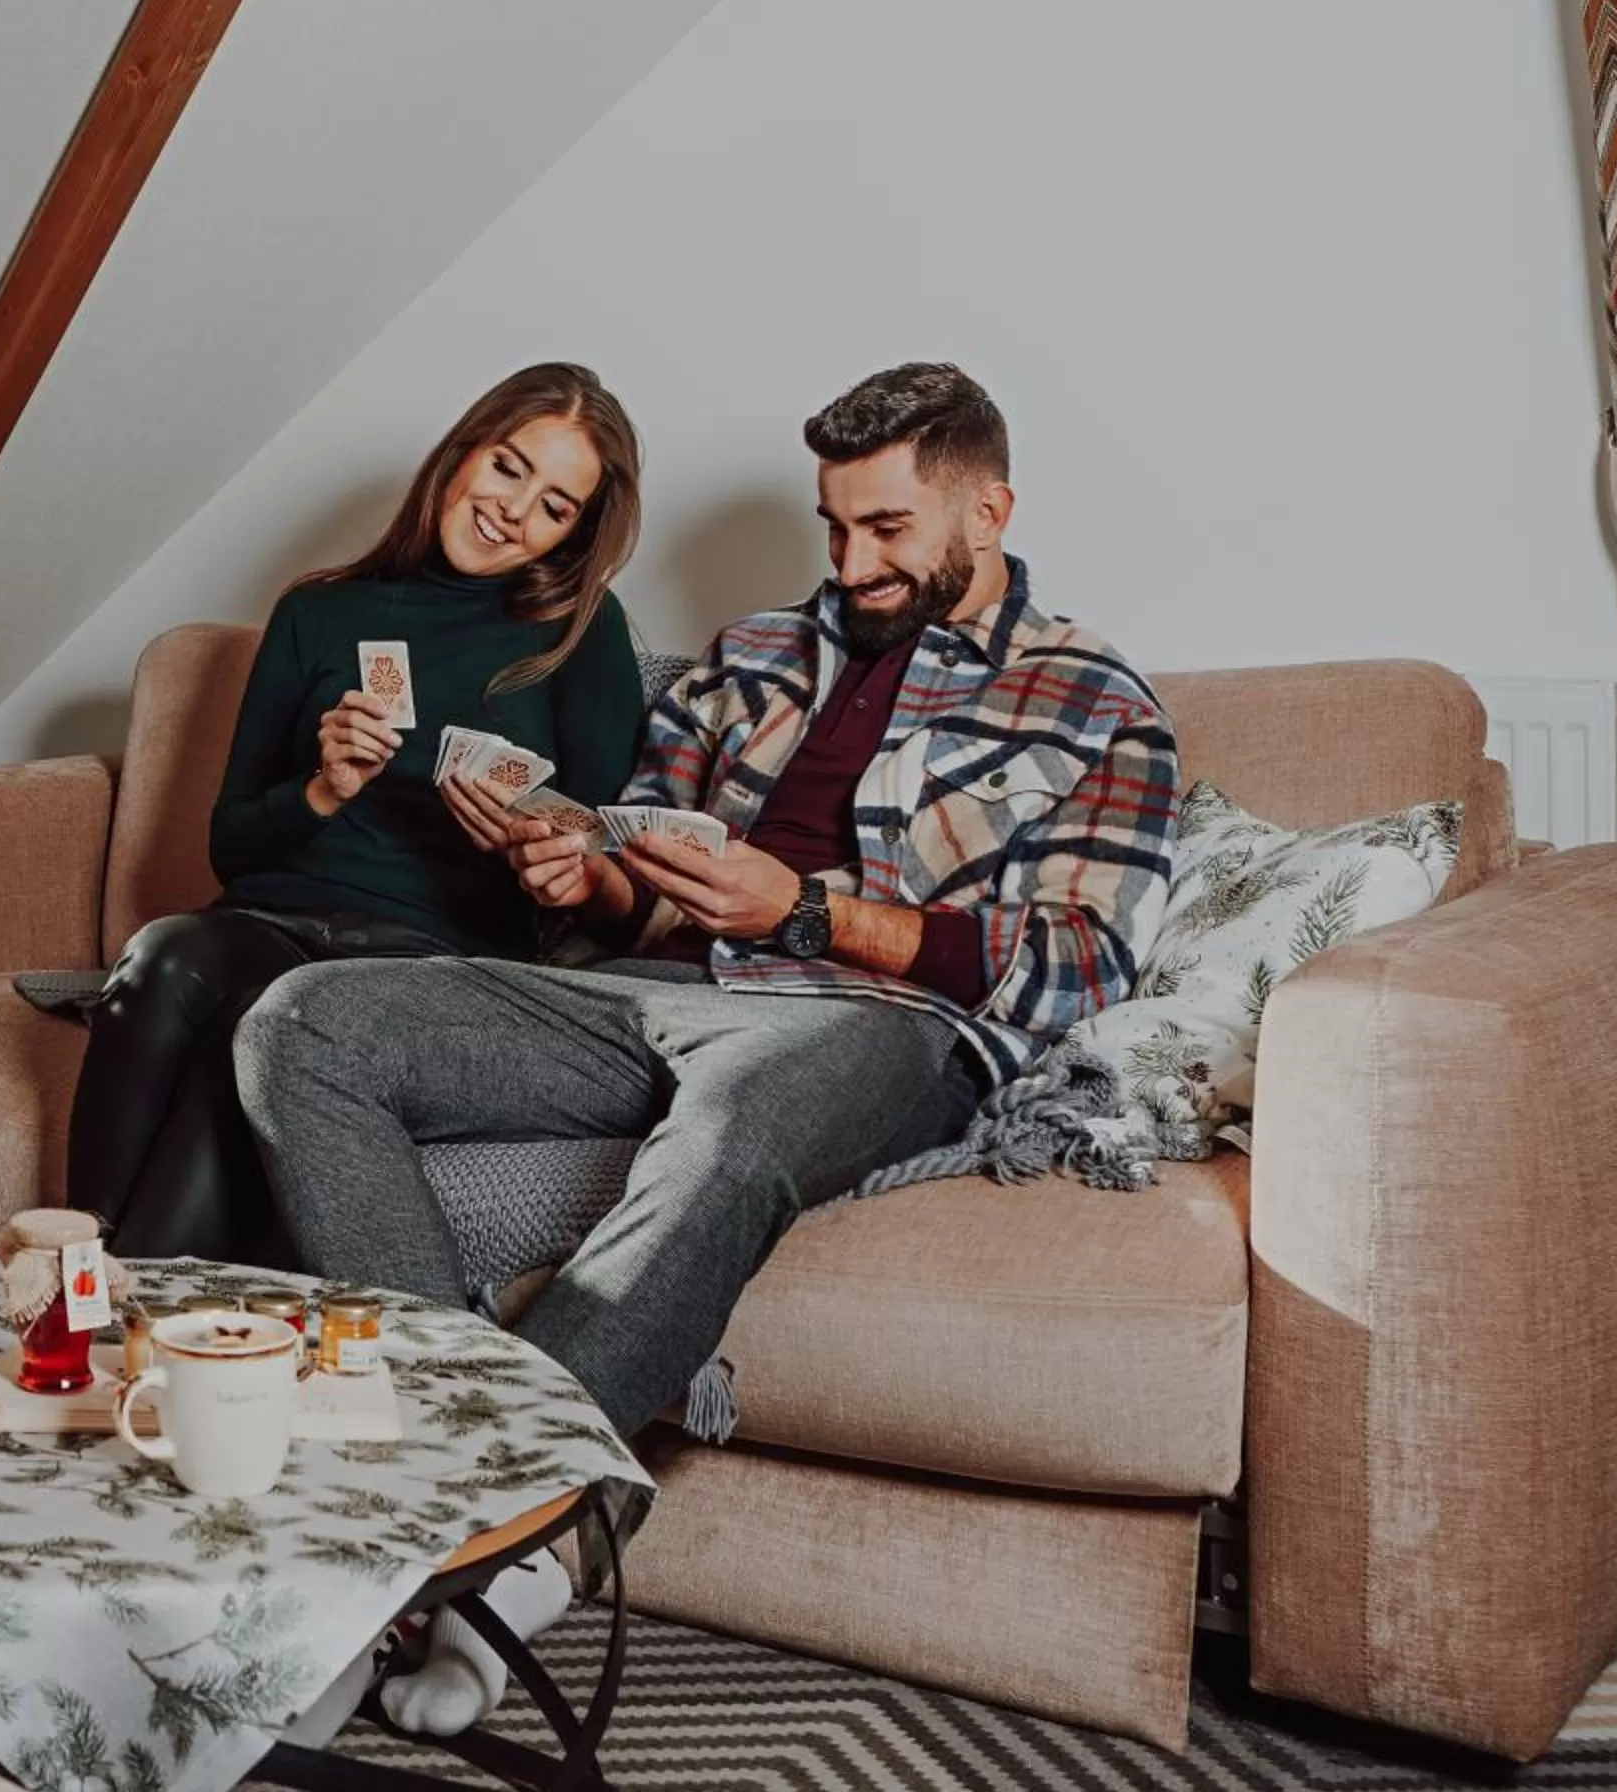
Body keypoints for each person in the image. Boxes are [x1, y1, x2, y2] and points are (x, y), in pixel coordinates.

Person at [234, 362, 1181, 1440]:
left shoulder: (1091, 697)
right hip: (656, 990)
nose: (851, 564)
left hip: (873, 1022)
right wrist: (583, 872)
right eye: (834, 528)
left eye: (886, 530)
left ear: (989, 510)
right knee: (305, 1021)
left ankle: (507, 1489)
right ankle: (441, 1430)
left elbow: (1081, 964)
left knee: (732, 1123)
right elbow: (638, 877)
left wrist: (806, 912)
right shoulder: (752, 655)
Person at [69, 362, 648, 1264]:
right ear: (462, 455)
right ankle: (80, 1263)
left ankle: (114, 1313)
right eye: (508, 467)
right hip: (272, 919)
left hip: (427, 960)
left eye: (556, 505)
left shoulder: (581, 630)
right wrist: (322, 790)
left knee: (257, 1028)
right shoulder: (319, 611)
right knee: (165, 953)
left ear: (573, 535)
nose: (513, 509)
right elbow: (230, 848)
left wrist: (546, 861)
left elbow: (606, 870)